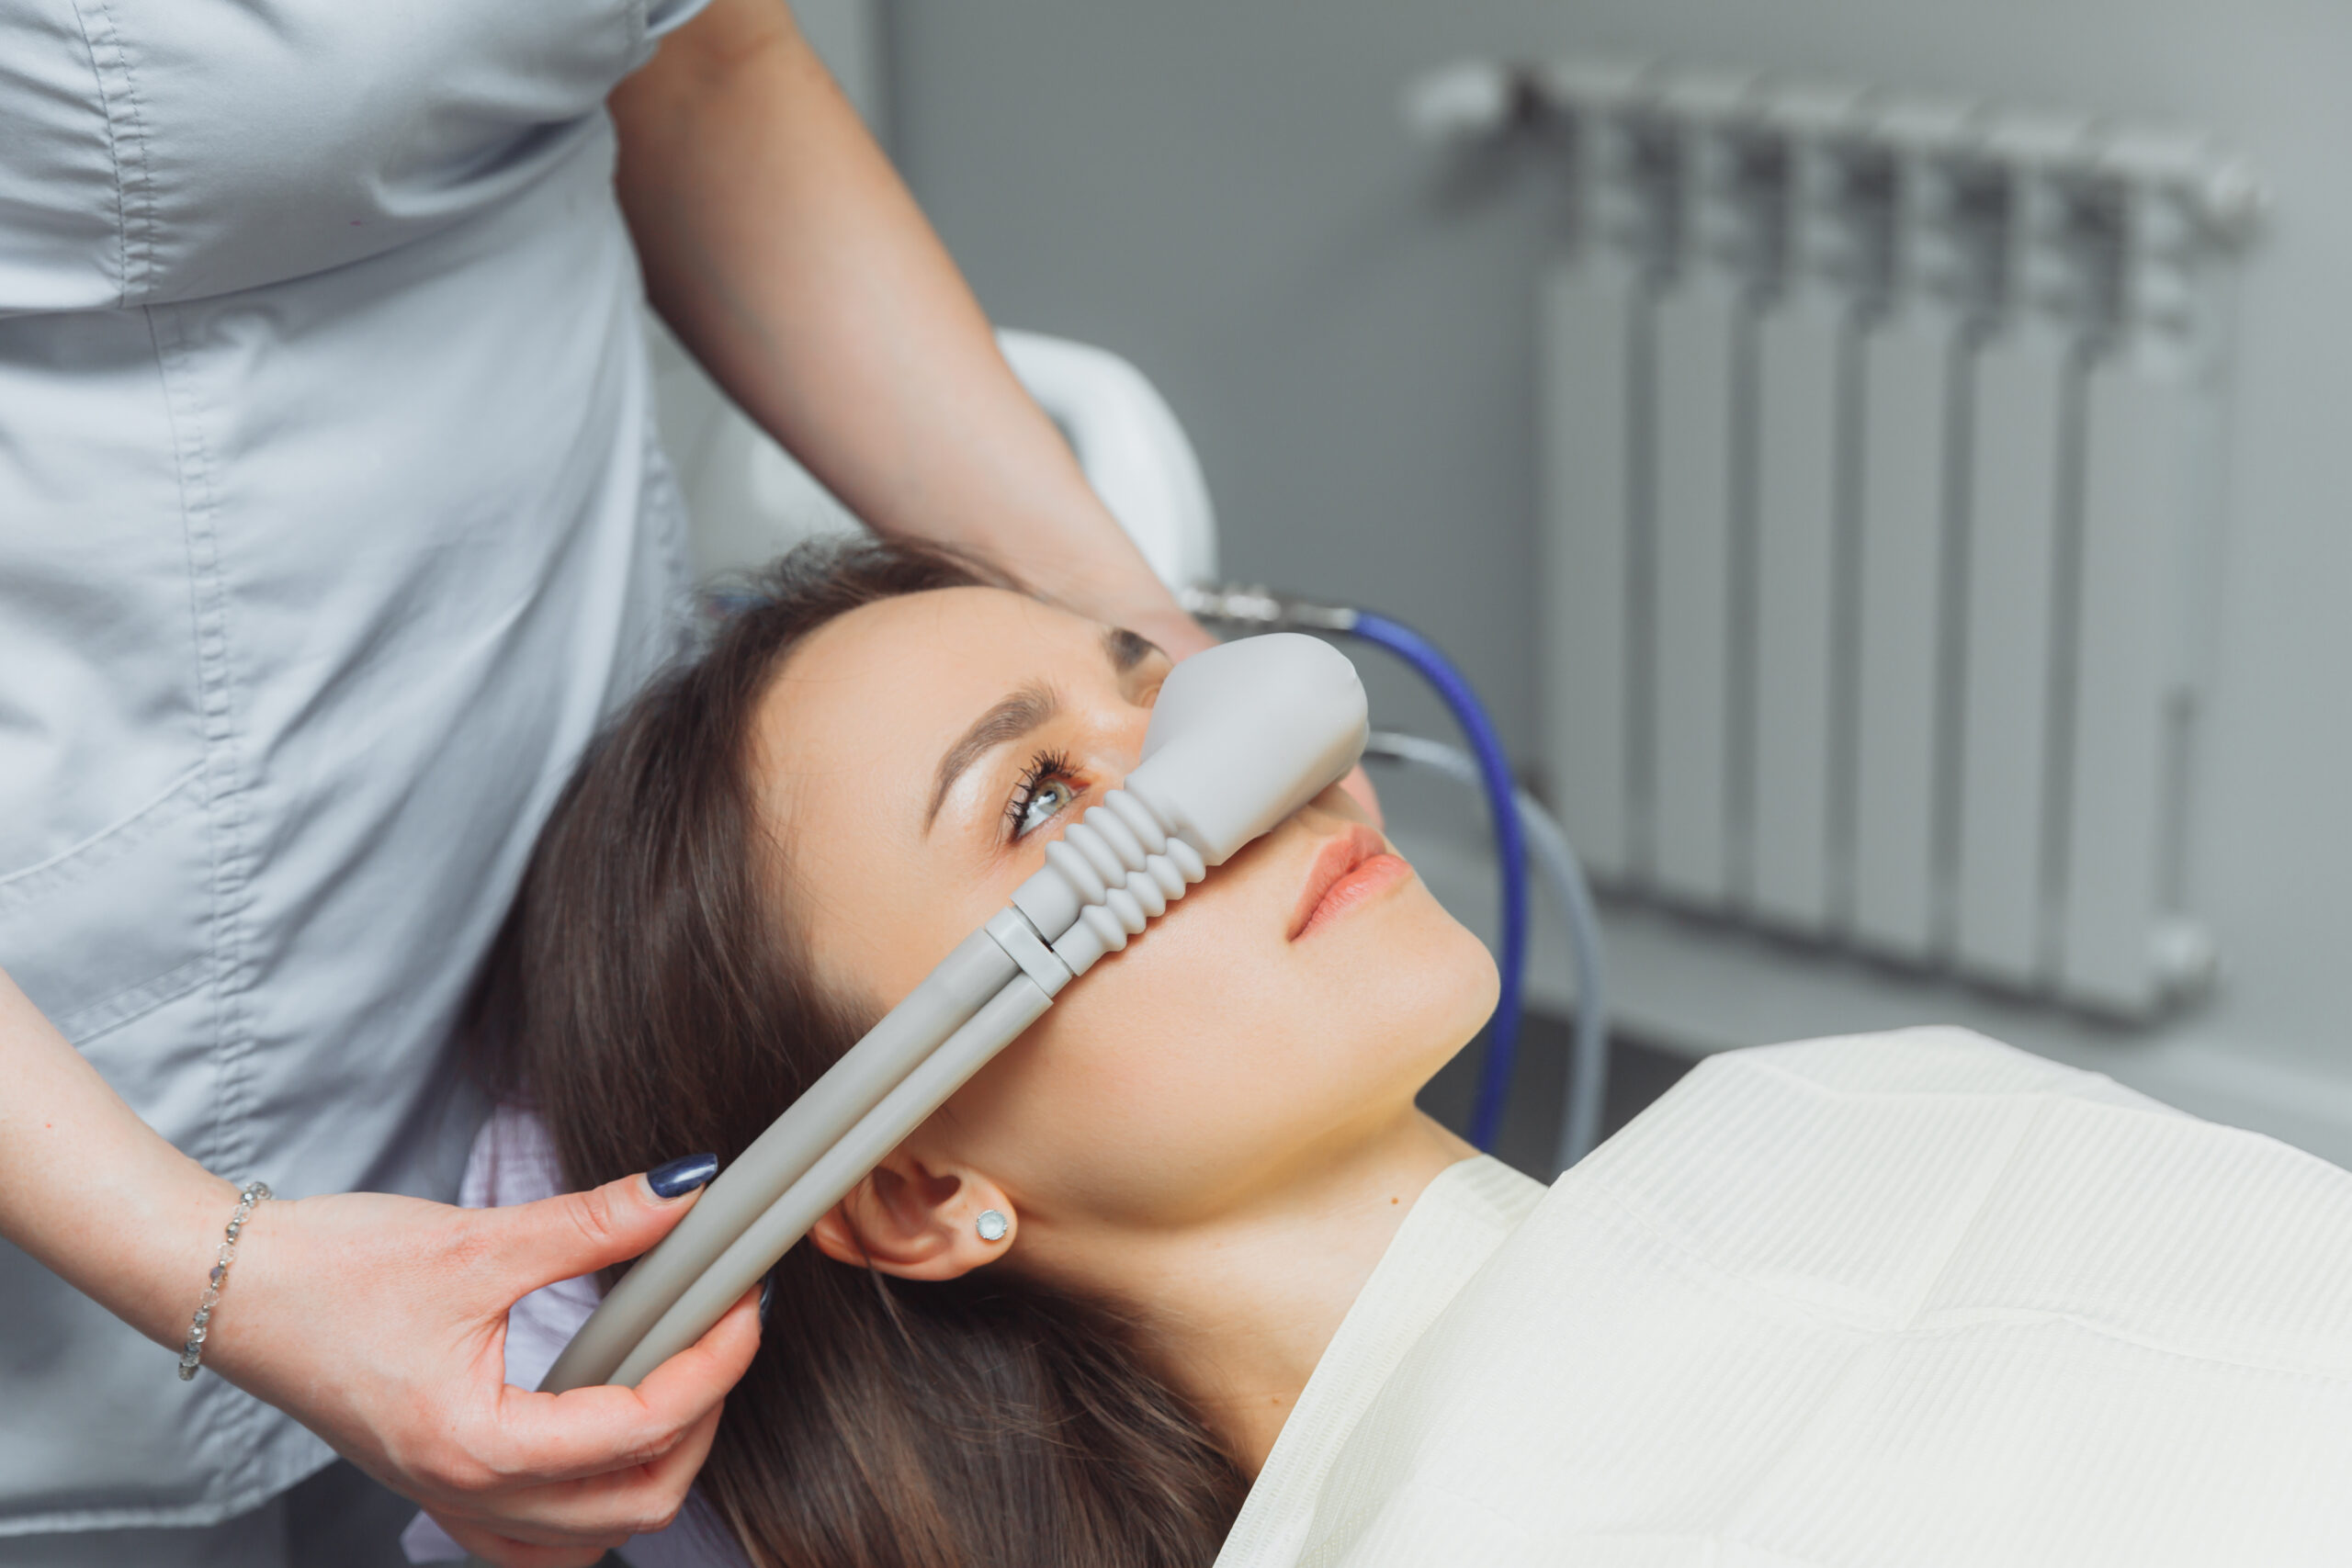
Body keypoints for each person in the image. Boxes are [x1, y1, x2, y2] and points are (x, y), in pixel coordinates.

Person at [469, 538, 2352, 1568]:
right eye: (1038, 796)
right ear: (914, 1184)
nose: (1241, 765)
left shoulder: (1870, 1099)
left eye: (1158, 686)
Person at [0, 0, 1207, 1561]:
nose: (1157, 798)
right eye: (1040, 799)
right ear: (921, 1198)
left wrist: (1159, 648)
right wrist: (206, 1265)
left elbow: (705, 67)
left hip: (550, 799)